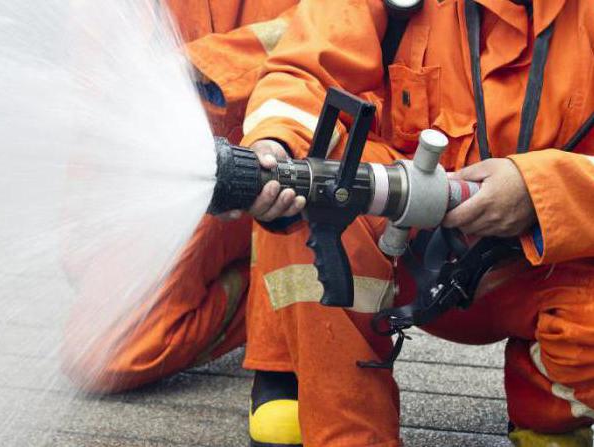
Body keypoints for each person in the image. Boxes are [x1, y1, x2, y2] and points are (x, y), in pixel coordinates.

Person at [236, 0, 594, 446]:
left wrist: (545, 191)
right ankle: (342, 430)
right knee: (319, 188)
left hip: (554, 265)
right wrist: (276, 142)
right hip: (405, 255)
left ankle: (550, 420)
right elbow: (308, 71)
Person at [61, 3, 305, 446]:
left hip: (295, 142)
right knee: (106, 353)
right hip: (186, 171)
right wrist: (88, 237)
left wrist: (201, 64)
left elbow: (335, 33)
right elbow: (100, 93)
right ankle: (254, 286)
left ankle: (286, 338)